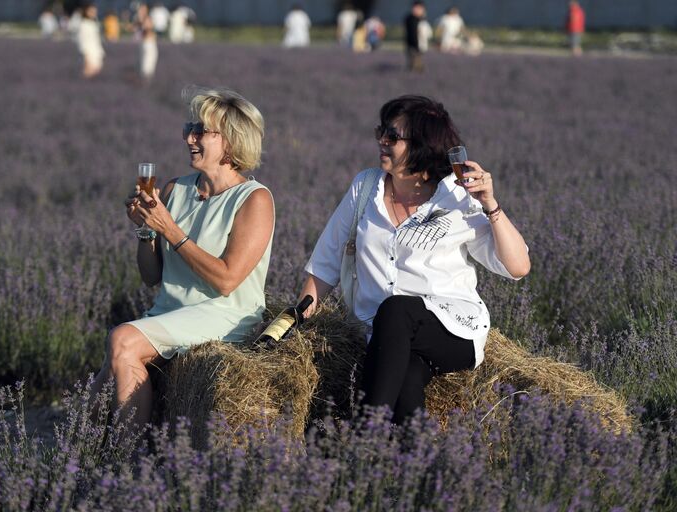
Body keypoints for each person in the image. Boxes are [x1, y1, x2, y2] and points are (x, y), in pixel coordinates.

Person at [298, 95, 530, 425]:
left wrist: (490, 204)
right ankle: (416, 466)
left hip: (451, 329)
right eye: (381, 131)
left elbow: (517, 267)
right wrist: (294, 327)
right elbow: (325, 264)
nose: (382, 140)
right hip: (382, 334)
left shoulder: (456, 196)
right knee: (405, 383)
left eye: (392, 136)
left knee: (396, 309)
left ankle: (365, 433)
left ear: (422, 144)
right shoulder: (366, 187)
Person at [92, 88, 274, 429]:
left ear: (231, 141)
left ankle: (126, 459)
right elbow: (151, 277)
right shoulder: (177, 189)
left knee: (121, 340)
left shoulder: (254, 199)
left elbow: (226, 281)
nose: (189, 137)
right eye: (190, 127)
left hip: (225, 315)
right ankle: (95, 456)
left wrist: (171, 230)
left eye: (201, 131)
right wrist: (146, 230)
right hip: (171, 311)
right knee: (97, 393)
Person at [76, 3, 104, 78]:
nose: (93, 13)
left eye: (94, 12)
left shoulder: (94, 23)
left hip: (96, 50)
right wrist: (86, 55)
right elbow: (83, 41)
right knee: (89, 72)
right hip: (89, 51)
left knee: (96, 71)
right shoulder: (84, 24)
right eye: (91, 11)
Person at [404, 1, 431, 72]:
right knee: (414, 63)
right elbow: (412, 33)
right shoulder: (411, 19)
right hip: (413, 44)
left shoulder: (421, 19)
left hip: (419, 44)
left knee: (418, 62)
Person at [140, 12, 158, 83]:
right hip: (148, 45)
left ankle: (147, 79)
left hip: (150, 44)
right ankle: (145, 80)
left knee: (150, 62)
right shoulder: (146, 28)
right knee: (147, 63)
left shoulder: (148, 27)